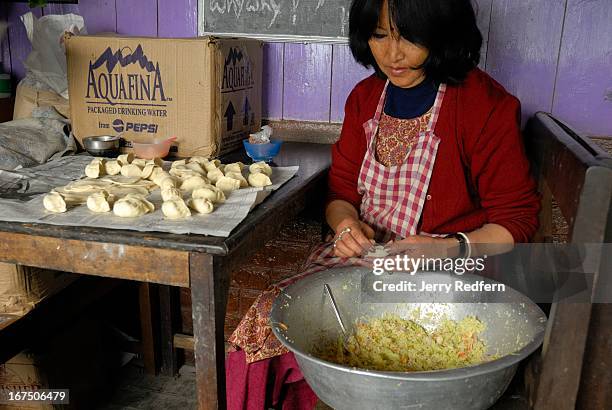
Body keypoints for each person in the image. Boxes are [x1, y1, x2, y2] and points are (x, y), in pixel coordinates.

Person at [226, 0, 540, 408]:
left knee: (388, 350)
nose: (393, 54)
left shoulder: (485, 105)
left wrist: (447, 246)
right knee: (265, 322)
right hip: (359, 260)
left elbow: (516, 224)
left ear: (443, 30)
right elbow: (340, 195)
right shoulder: (365, 97)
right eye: (379, 35)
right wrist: (346, 228)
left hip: (442, 275)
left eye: (409, 35)